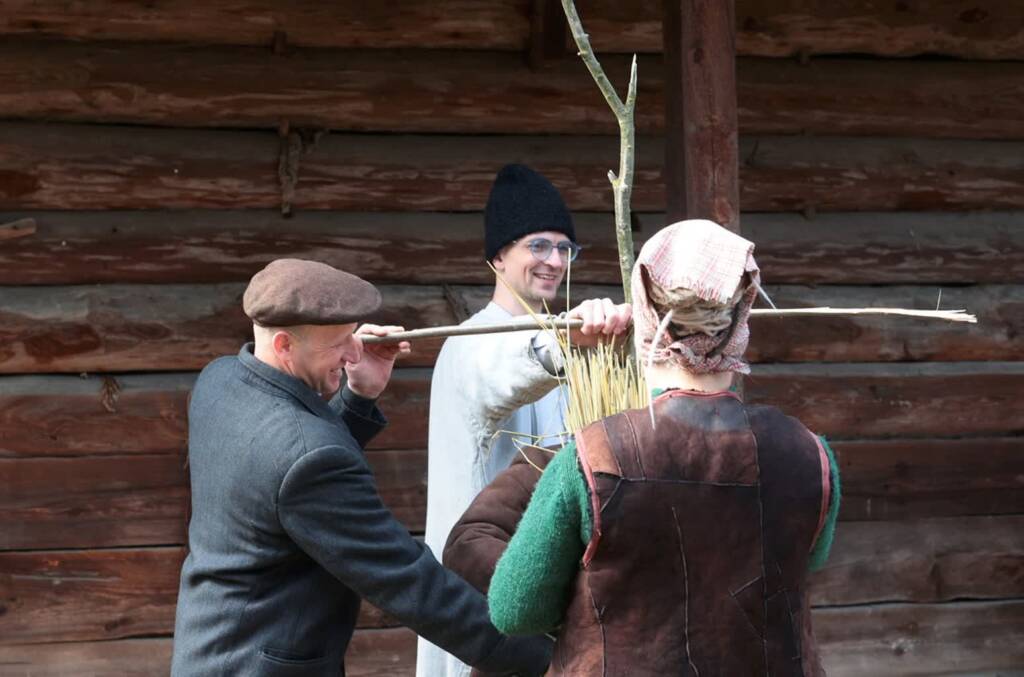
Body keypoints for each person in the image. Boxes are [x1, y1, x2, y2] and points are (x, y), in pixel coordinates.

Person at [446, 221, 842, 676]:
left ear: (647, 318)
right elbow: (804, 559)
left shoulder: (593, 455)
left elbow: (516, 610)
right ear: (742, 320)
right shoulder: (811, 455)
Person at [171, 258, 551, 677]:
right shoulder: (308, 459)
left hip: (205, 650)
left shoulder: (219, 380)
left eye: (353, 333)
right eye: (339, 342)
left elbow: (281, 471)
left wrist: (357, 394)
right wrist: (546, 658)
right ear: (284, 345)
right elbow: (408, 580)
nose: (355, 351)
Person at [417, 164, 631, 677]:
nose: (554, 261)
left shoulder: (563, 344)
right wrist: (567, 339)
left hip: (537, 587)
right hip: (477, 582)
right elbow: (509, 367)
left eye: (564, 248)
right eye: (538, 246)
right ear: (498, 256)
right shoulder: (470, 344)